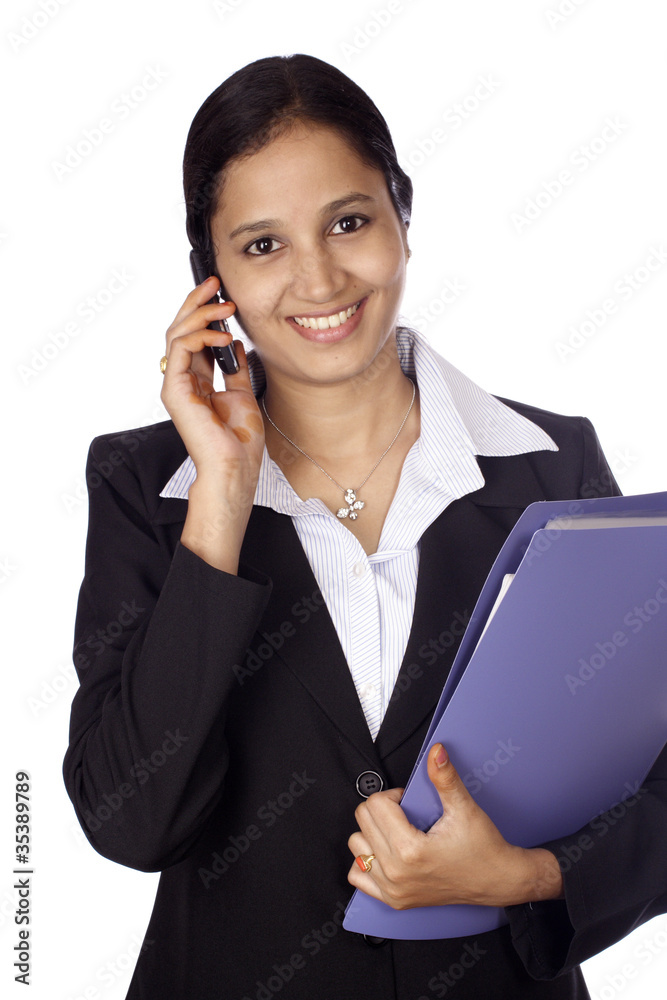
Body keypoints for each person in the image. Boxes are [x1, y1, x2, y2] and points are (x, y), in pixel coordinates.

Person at [63, 54, 667, 999]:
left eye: (348, 222)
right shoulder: (149, 485)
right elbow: (132, 821)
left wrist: (530, 878)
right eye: (261, 245)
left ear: (401, 218)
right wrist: (222, 493)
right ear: (208, 278)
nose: (318, 278)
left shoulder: (551, 464)